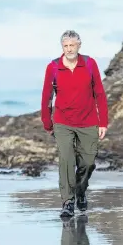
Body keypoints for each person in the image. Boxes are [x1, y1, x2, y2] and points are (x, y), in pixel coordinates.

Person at [41, 30, 108, 217]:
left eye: (72, 45)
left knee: (88, 162)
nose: (69, 49)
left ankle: (80, 191)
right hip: (63, 122)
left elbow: (100, 94)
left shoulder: (89, 64)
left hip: (88, 121)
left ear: (79, 45)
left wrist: (103, 122)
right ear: (62, 47)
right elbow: (47, 96)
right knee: (66, 160)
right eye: (65, 46)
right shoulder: (53, 67)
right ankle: (68, 202)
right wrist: (48, 123)